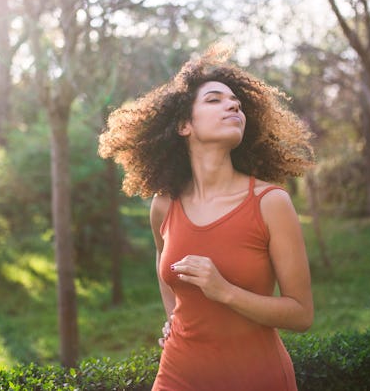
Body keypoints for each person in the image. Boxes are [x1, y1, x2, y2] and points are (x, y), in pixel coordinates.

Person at [98, 45, 314, 391]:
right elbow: (162, 255)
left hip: (256, 379)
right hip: (177, 375)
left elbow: (301, 314)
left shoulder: (270, 202)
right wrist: (172, 316)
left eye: (238, 104)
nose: (233, 106)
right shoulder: (165, 205)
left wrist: (224, 291)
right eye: (215, 100)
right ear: (184, 124)